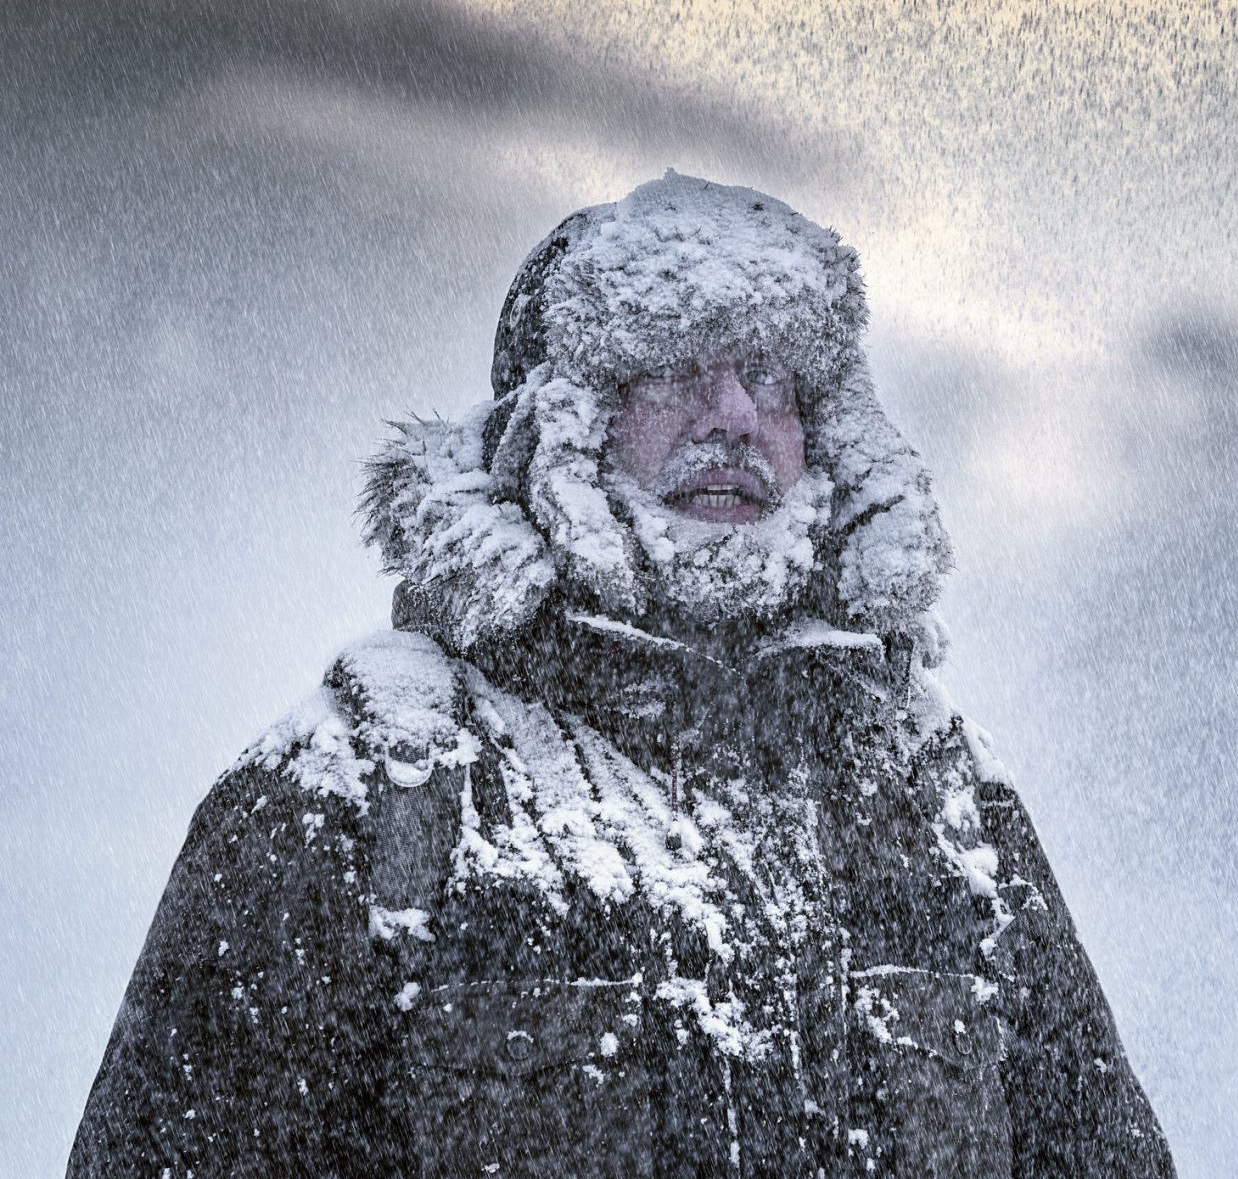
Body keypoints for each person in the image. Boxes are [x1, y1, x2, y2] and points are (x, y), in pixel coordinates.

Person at [68, 172, 1175, 1178]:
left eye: (771, 376)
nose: (733, 417)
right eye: (673, 368)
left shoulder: (937, 798)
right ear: (561, 425)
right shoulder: (361, 791)